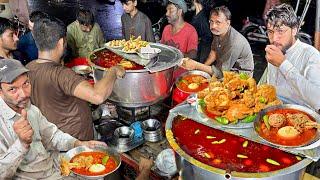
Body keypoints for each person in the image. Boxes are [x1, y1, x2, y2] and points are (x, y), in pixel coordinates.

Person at [0, 58, 106, 179]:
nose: (24, 94)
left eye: (26, 84)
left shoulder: (30, 109)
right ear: (0, 92)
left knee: (97, 170)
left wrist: (78, 144)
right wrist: (22, 144)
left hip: (52, 167)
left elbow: (51, 136)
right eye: (12, 89)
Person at [26, 17, 125, 140]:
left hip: (53, 139)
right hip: (76, 141)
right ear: (61, 42)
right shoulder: (61, 74)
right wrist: (114, 70)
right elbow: (97, 96)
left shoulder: (28, 68)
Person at [264, 4, 320, 112]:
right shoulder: (275, 50)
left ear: (294, 30)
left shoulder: (311, 55)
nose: (274, 38)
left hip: (301, 118)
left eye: (280, 31)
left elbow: (318, 99)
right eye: (270, 32)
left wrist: (283, 64)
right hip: (273, 112)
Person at [180, 6, 254, 76]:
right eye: (211, 21)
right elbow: (214, 52)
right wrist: (201, 71)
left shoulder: (234, 43)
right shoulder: (218, 32)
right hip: (224, 67)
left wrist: (196, 65)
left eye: (218, 22)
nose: (213, 26)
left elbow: (221, 73)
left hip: (240, 75)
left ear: (228, 23)